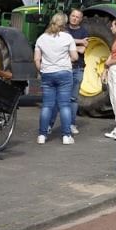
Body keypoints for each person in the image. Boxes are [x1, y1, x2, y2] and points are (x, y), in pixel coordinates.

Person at [33, 12, 79, 145]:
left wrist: (41, 70)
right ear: (64, 24)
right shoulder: (68, 37)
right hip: (64, 73)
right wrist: (65, 61)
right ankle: (66, 136)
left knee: (47, 105)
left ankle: (42, 135)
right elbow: (75, 57)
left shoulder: (42, 38)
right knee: (65, 105)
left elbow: (36, 59)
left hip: (47, 73)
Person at [63, 8, 89, 136]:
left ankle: (72, 124)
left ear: (81, 19)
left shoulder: (84, 31)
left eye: (77, 17)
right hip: (64, 67)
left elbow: (83, 50)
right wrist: (78, 43)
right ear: (69, 16)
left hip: (78, 68)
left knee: (73, 98)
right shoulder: (63, 28)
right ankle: (50, 125)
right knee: (60, 98)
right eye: (73, 16)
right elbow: (61, 44)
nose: (74, 18)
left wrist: (68, 45)